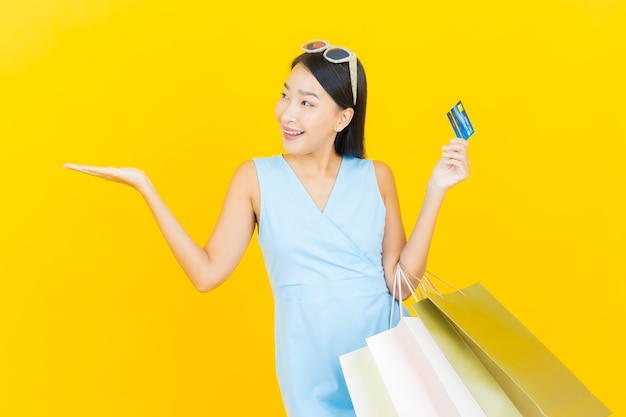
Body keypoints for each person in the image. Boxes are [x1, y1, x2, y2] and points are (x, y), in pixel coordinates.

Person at [64, 39, 470, 417]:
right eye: (285, 96)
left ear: (342, 118)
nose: (287, 113)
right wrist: (145, 187)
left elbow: (400, 286)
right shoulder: (255, 179)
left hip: (386, 364)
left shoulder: (377, 177)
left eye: (306, 102)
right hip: (310, 375)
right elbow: (206, 275)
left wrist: (436, 190)